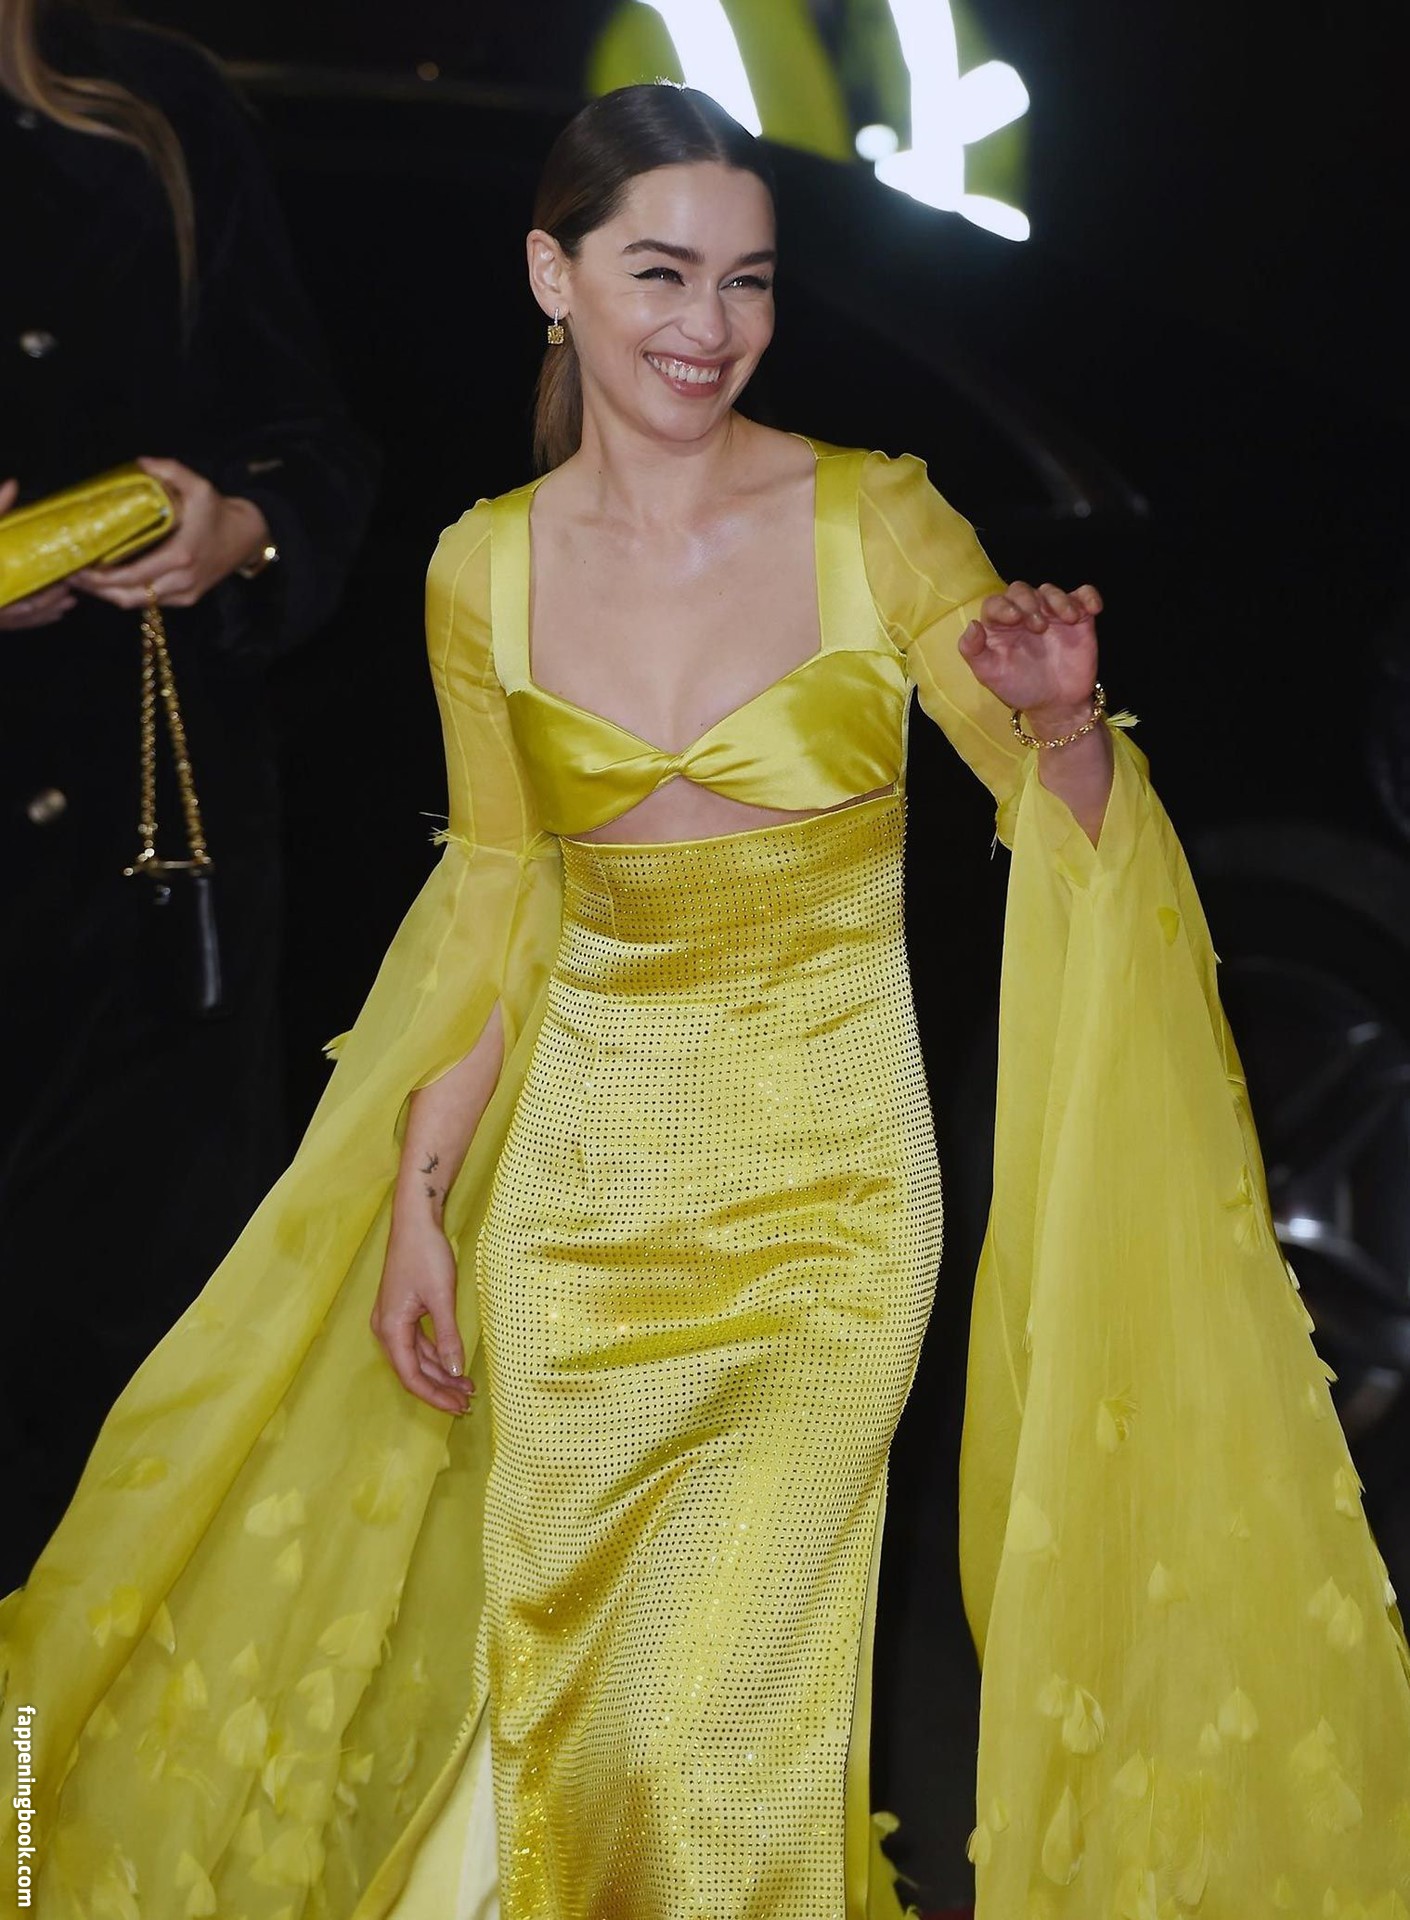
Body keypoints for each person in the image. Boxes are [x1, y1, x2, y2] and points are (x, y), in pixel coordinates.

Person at [4, 81, 1410, 1920]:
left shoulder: (874, 517)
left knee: (726, 1716)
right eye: (659, 272)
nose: (708, 323)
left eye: (745, 281)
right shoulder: (481, 566)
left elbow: (1062, 829)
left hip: (831, 1208)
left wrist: (1061, 719)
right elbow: (497, 899)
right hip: (571, 1212)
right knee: (575, 1691)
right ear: (553, 276)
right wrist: (422, 1198)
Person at [0, 0, 377, 1593]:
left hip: (140, 919)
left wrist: (241, 531)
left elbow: (312, 450)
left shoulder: (151, 105)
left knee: (114, 1476)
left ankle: (46, 1771)